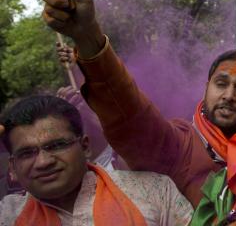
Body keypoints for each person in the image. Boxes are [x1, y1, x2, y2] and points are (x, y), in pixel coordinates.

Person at [37, 0, 236, 226]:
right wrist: (88, 35)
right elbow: (130, 114)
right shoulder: (178, 145)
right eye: (221, 83)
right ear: (207, 88)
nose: (228, 95)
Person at [0, 95, 193, 225]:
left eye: (57, 146)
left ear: (85, 147)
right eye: (26, 153)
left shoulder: (153, 190)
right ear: (13, 168)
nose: (43, 162)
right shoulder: (7, 216)